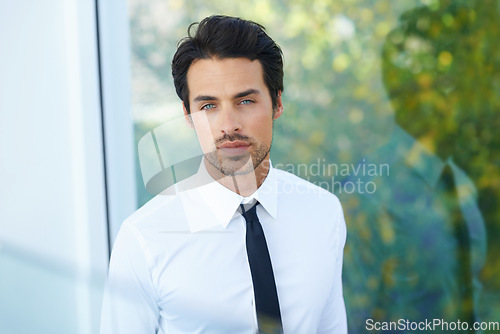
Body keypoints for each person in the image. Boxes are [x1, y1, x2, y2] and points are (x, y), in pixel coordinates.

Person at [100, 15, 347, 334]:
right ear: (188, 116)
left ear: (277, 102)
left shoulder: (323, 213)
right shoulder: (145, 239)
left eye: (245, 100)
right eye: (208, 106)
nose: (229, 124)